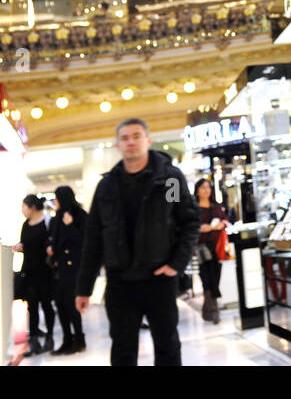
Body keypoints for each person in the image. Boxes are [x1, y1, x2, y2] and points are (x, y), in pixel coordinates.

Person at [75, 118, 200, 366]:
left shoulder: (170, 180)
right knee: (122, 349)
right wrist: (84, 287)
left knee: (167, 345)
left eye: (136, 136)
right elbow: (94, 239)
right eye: (125, 138)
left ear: (148, 140)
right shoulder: (106, 187)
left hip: (160, 279)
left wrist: (177, 263)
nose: (131, 142)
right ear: (117, 145)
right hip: (120, 282)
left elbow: (188, 221)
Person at [12, 194, 56, 358]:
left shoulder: (47, 222)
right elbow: (26, 243)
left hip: (44, 271)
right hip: (28, 270)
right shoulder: (26, 225)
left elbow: (51, 244)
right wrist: (20, 247)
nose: (22, 210)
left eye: (24, 207)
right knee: (32, 306)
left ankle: (49, 337)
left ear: (32, 207)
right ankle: (34, 341)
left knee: (46, 304)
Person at [48, 185, 86, 355]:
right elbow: (53, 240)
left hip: (74, 269)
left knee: (71, 305)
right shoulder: (56, 218)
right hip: (59, 269)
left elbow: (85, 242)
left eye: (57, 198)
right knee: (60, 305)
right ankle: (67, 339)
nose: (55, 201)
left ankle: (79, 339)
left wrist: (70, 226)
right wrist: (51, 251)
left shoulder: (80, 216)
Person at [194, 178, 228, 324]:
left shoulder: (216, 206)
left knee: (215, 277)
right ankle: (214, 311)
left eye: (208, 187)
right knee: (206, 277)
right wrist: (200, 229)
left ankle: (207, 309)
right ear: (197, 190)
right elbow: (186, 226)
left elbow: (226, 220)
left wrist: (221, 225)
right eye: (203, 187)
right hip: (200, 247)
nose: (206, 190)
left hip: (217, 247)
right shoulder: (193, 207)